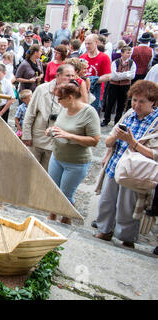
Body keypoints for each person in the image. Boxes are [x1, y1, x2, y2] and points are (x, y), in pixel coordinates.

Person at [94, 80, 158, 249]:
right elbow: (108, 142)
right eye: (134, 100)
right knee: (107, 200)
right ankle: (104, 230)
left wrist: (133, 142)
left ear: (153, 101)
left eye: (141, 101)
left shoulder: (156, 122)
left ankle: (126, 237)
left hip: (135, 171)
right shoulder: (129, 114)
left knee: (128, 205)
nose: (136, 105)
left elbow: (155, 154)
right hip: (115, 164)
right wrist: (115, 137)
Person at [45, 81, 100, 225]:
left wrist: (69, 135)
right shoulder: (64, 109)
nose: (58, 101)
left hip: (76, 161)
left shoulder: (89, 112)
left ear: (70, 97)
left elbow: (94, 140)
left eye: (60, 98)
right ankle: (52, 216)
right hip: (57, 156)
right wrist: (51, 131)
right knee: (53, 190)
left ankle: (65, 220)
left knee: (66, 195)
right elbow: (59, 126)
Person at [22, 64, 76, 170]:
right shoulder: (42, 89)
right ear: (58, 76)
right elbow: (30, 113)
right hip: (37, 138)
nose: (71, 79)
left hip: (56, 142)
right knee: (31, 170)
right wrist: (26, 135)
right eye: (67, 75)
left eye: (73, 76)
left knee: (47, 174)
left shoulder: (73, 93)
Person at [101, 46, 136, 127]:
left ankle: (117, 121)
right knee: (110, 103)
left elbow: (132, 75)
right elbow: (113, 76)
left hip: (125, 86)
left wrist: (120, 75)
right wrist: (125, 75)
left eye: (130, 53)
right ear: (122, 53)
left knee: (122, 104)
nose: (129, 55)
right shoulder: (115, 62)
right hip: (114, 85)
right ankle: (106, 120)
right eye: (127, 53)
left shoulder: (132, 63)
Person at [80, 34, 112, 113]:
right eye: (86, 43)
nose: (87, 46)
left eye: (89, 43)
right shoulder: (82, 57)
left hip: (95, 93)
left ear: (96, 43)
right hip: (82, 91)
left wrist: (91, 80)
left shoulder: (104, 58)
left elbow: (108, 76)